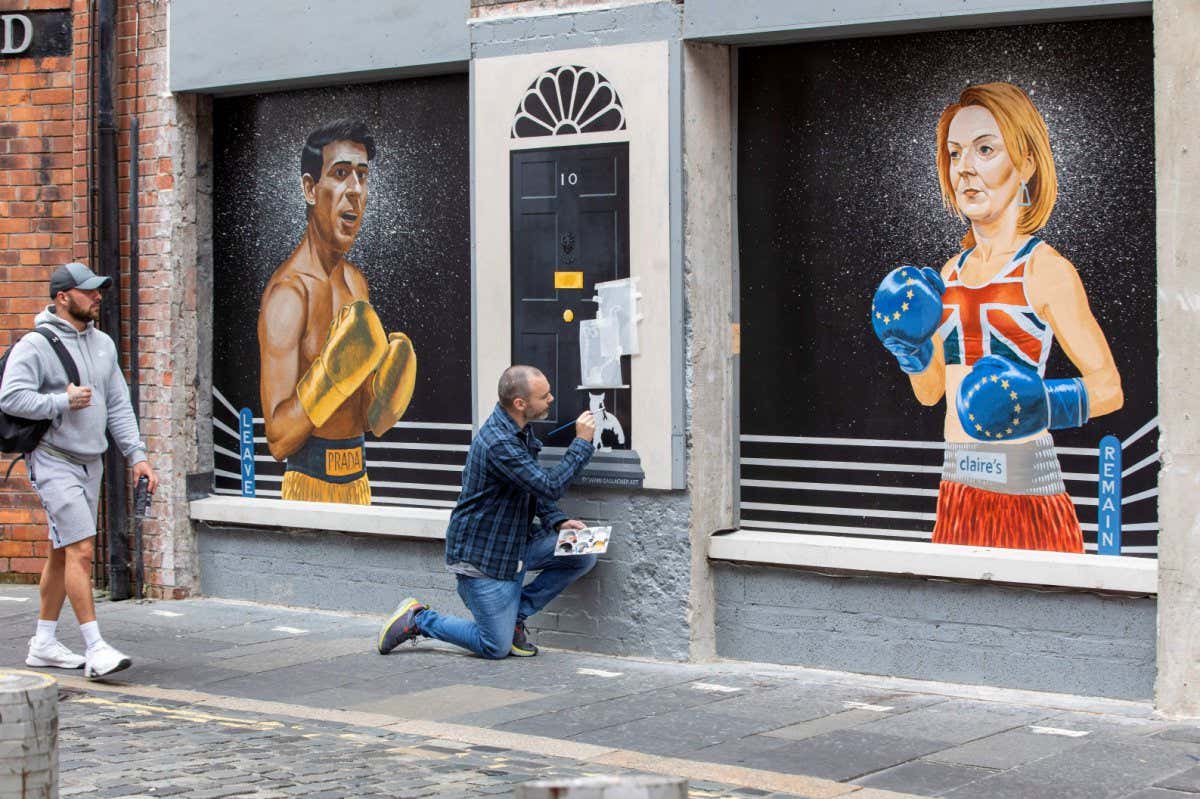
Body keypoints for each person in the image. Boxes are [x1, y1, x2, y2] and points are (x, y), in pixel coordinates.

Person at [871, 82, 1123, 552]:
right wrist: (909, 347)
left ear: (1025, 162)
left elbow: (1109, 388)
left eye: (985, 149)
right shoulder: (947, 275)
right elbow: (930, 393)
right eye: (953, 153)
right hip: (958, 490)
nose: (964, 168)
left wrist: (1040, 403)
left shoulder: (1045, 269)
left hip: (1028, 492)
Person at [0, 262, 159, 678]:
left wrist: (137, 455)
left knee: (61, 550)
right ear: (63, 297)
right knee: (82, 550)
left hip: (92, 462)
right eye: (88, 291)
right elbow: (10, 398)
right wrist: (60, 402)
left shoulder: (103, 344)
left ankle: (44, 643)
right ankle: (96, 648)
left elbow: (119, 405)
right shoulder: (35, 345)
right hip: (53, 460)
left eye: (98, 290)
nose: (98, 296)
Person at [378, 365, 596, 659]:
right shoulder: (499, 443)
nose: (552, 399)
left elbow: (529, 486)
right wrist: (581, 442)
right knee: (495, 646)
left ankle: (515, 616)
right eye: (544, 396)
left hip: (516, 546)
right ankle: (418, 620)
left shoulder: (518, 431)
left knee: (583, 551)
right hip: (485, 559)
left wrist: (556, 520)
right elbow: (549, 486)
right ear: (520, 404)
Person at [257, 118, 416, 505]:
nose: (355, 190)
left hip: (359, 482)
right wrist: (329, 376)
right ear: (310, 188)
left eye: (362, 176)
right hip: (308, 487)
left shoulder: (356, 284)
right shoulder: (288, 294)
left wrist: (384, 399)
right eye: (341, 174)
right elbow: (278, 440)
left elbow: (360, 417)